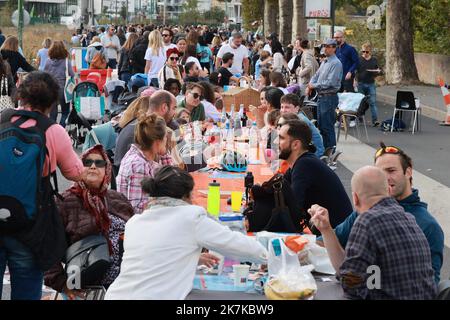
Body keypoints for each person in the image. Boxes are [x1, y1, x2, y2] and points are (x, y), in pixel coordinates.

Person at [105, 166, 268, 300]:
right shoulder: (191, 217)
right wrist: (270, 255)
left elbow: (151, 256)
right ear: (186, 195)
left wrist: (190, 256)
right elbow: (235, 245)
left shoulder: (135, 222)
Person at [0, 71, 85, 300]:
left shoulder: (2, 119)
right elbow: (74, 173)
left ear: (22, 95)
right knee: (27, 291)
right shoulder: (52, 130)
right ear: (52, 101)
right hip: (30, 227)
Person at [322, 143, 444, 283]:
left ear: (408, 172)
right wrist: (324, 229)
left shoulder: (429, 226)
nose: (385, 178)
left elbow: (431, 284)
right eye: (380, 172)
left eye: (391, 170)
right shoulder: (365, 211)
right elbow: (329, 241)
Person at [309, 166, 437, 299]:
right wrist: (326, 229)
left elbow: (350, 284)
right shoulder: (409, 219)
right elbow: (347, 272)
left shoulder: (367, 221)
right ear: (388, 191)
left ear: (355, 198)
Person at [44, 145, 134, 299]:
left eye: (99, 163)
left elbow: (136, 233)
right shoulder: (63, 201)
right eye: (87, 162)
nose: (93, 166)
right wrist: (62, 284)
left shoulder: (118, 199)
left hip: (122, 285)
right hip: (82, 288)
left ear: (106, 169)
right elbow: (46, 246)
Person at [279, 119, 352, 228]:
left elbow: (292, 208)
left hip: (336, 237)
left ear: (295, 144)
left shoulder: (304, 165)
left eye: (281, 138)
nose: (276, 142)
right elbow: (281, 190)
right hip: (328, 231)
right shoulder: (301, 162)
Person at [114, 91, 178, 175]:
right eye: (174, 108)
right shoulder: (146, 130)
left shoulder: (140, 124)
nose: (175, 113)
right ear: (164, 107)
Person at [116, 113, 167, 214]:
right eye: (165, 137)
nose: (167, 140)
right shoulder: (138, 165)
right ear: (157, 142)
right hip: (134, 223)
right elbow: (136, 208)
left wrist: (164, 152)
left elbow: (170, 173)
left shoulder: (141, 155)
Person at [306, 39, 342, 151]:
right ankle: (326, 151)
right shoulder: (325, 62)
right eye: (324, 46)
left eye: (328, 46)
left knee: (327, 127)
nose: (325, 48)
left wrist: (314, 86)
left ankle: (331, 152)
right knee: (321, 126)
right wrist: (310, 84)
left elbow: (330, 83)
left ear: (334, 48)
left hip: (329, 97)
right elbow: (316, 75)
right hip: (322, 97)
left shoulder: (336, 63)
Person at [44, 40, 74, 127]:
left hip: (51, 90)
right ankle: (61, 128)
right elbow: (72, 74)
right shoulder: (66, 62)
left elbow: (44, 75)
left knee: (53, 113)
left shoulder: (47, 61)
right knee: (65, 112)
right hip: (63, 90)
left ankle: (53, 129)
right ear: (63, 50)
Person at [355, 43, 381, 126]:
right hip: (361, 83)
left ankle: (375, 120)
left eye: (367, 52)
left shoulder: (374, 60)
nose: (365, 54)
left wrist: (378, 72)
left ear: (370, 52)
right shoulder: (358, 59)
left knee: (372, 102)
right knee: (361, 102)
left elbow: (377, 70)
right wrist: (354, 81)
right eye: (363, 52)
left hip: (371, 83)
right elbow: (354, 71)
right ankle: (359, 116)